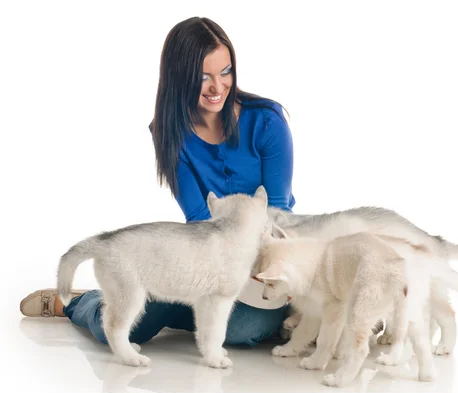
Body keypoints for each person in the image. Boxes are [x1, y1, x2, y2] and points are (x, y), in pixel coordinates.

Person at [19, 16, 295, 347]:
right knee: (129, 327)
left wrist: (255, 270)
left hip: (264, 252)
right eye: (203, 77)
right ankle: (79, 303)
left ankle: (180, 308)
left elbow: (277, 212)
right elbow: (198, 218)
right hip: (204, 256)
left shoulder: (267, 122)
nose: (218, 87)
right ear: (179, 79)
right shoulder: (169, 134)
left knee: (243, 328)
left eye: (226, 72)